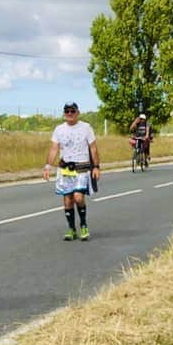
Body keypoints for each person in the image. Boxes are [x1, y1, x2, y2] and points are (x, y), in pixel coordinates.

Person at [43, 102, 100, 241]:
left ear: (77, 113)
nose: (69, 114)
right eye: (67, 111)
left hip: (81, 167)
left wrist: (96, 167)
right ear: (64, 113)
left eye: (72, 111)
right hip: (65, 169)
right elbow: (54, 148)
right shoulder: (59, 129)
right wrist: (47, 167)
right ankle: (71, 229)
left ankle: (83, 225)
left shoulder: (86, 128)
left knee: (78, 197)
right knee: (68, 200)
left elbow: (93, 148)